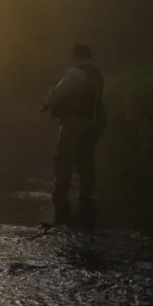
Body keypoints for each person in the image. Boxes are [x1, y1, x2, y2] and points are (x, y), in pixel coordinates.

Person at [40, 44, 106, 229]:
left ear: (76, 56)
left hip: (74, 123)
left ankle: (60, 196)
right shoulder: (97, 75)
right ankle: (85, 196)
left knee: (63, 159)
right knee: (86, 160)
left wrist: (45, 105)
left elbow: (59, 92)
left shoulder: (75, 73)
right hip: (93, 124)